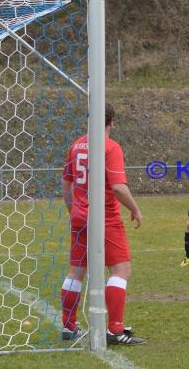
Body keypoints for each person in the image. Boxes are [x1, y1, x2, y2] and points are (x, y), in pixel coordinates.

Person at [60, 103, 145, 345]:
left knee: (76, 271)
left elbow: (66, 183)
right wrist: (135, 209)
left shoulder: (76, 145)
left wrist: (73, 210)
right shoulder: (110, 147)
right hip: (105, 218)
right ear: (112, 122)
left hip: (79, 217)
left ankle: (68, 326)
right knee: (121, 270)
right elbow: (118, 187)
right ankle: (115, 330)